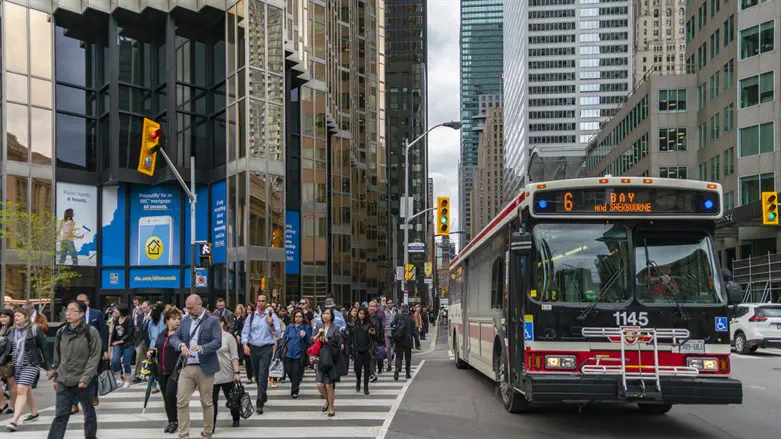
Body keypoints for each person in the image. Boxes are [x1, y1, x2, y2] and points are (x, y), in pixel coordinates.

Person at [46, 300, 101, 439]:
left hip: (84, 381)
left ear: (81, 314)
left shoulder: (90, 332)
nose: (68, 313)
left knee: (88, 412)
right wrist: (56, 377)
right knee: (60, 415)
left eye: (73, 310)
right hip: (64, 380)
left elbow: (94, 357)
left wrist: (86, 377)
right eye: (67, 310)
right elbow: (57, 357)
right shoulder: (61, 332)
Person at [170, 294, 222, 439]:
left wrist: (202, 348)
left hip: (205, 367)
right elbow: (174, 337)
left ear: (200, 306)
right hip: (187, 367)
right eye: (187, 308)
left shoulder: (212, 320)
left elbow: (217, 342)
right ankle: (183, 435)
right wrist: (181, 345)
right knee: (181, 401)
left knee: (207, 402)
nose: (188, 311)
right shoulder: (186, 320)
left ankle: (207, 433)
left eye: (191, 308)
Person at [5, 308, 51, 432]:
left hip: (31, 363)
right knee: (26, 389)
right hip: (16, 365)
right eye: (15, 316)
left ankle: (14, 421)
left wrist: (49, 367)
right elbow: (7, 348)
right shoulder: (11, 331)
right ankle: (34, 413)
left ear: (26, 317)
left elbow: (44, 348)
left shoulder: (35, 329)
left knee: (21, 390)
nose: (16, 318)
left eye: (19, 316)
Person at [240, 294, 281, 414]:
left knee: (263, 374)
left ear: (266, 302)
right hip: (254, 348)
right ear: (256, 302)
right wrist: (245, 345)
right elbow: (245, 332)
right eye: (259, 301)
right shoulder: (251, 316)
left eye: (263, 301)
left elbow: (278, 334)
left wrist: (271, 324)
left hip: (266, 348)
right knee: (257, 374)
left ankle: (259, 402)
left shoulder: (272, 316)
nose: (260, 303)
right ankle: (263, 394)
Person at [146, 307, 182, 434]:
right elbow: (158, 347)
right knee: (166, 397)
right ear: (167, 321)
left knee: (171, 394)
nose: (177, 321)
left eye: (179, 319)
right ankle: (171, 421)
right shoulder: (162, 334)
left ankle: (176, 421)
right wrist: (152, 352)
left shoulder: (181, 334)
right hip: (161, 370)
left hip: (175, 371)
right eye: (174, 319)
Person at [71, 294, 108, 414]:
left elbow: (103, 332)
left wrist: (105, 350)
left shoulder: (97, 314)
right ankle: (74, 403)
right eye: (79, 301)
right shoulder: (74, 314)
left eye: (83, 301)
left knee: (93, 373)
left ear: (88, 301)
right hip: (78, 350)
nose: (81, 303)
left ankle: (94, 394)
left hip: (94, 349)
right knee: (76, 375)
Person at [210, 316, 241, 433]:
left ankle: (236, 418)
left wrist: (236, 372)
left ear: (222, 323)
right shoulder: (208, 337)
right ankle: (211, 426)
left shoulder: (228, 337)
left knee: (232, 399)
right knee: (211, 402)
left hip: (227, 373)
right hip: (212, 375)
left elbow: (234, 355)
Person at [313, 308, 344, 417]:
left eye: (327, 314)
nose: (325, 315)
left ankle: (331, 407)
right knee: (319, 384)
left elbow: (339, 343)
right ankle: (327, 400)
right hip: (320, 358)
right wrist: (318, 335)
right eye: (324, 313)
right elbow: (312, 340)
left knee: (329, 385)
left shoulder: (335, 327)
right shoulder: (318, 326)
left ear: (331, 316)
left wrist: (327, 340)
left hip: (330, 358)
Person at [282, 309, 310, 398]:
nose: (298, 318)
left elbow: (309, 341)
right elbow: (283, 339)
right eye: (296, 316)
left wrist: (304, 335)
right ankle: (295, 382)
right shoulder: (289, 327)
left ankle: (294, 391)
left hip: (299, 354)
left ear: (303, 318)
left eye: (300, 317)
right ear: (293, 317)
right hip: (288, 354)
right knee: (289, 371)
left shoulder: (306, 327)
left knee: (296, 372)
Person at [352, 307, 376, 395]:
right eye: (360, 313)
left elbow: (375, 337)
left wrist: (373, 334)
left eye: (363, 314)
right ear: (358, 314)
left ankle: (366, 386)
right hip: (357, 350)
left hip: (367, 349)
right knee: (357, 369)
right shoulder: (354, 324)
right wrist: (351, 350)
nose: (362, 315)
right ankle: (358, 381)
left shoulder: (370, 324)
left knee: (367, 369)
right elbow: (351, 338)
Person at [110, 304, 134, 389]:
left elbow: (130, 333)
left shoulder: (129, 319)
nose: (115, 311)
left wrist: (121, 340)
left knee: (126, 362)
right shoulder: (116, 319)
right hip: (117, 343)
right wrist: (112, 342)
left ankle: (127, 381)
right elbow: (114, 331)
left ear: (121, 311)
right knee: (115, 360)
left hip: (128, 344)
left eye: (117, 310)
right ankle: (119, 379)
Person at [0, 309, 17, 415]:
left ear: (11, 318)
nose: (3, 319)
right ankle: (2, 404)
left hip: (8, 359)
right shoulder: (2, 328)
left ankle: (12, 405)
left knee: (11, 382)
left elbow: (9, 345)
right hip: (1, 357)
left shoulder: (13, 329)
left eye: (5, 317)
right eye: (1, 317)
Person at [391, 305, 414, 381]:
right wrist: (417, 342)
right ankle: (407, 373)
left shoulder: (397, 317)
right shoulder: (410, 319)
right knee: (408, 357)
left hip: (399, 340)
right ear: (407, 310)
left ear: (401, 309)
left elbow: (391, 325)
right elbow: (414, 331)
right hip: (408, 340)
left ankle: (397, 369)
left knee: (398, 356)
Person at [132, 300, 151, 383]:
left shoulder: (154, 315)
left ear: (149, 306)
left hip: (150, 340)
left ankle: (151, 375)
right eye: (142, 308)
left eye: (145, 307)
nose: (143, 309)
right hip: (141, 340)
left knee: (151, 358)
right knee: (139, 357)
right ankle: (137, 375)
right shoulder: (140, 316)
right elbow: (136, 327)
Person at [367, 300, 386, 381]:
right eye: (370, 306)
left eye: (374, 306)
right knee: (369, 358)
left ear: (376, 308)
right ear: (368, 307)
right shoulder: (365, 316)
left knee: (373, 357)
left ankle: (372, 373)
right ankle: (371, 373)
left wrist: (382, 341)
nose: (372, 308)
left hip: (375, 340)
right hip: (366, 341)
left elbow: (381, 329)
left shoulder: (378, 317)